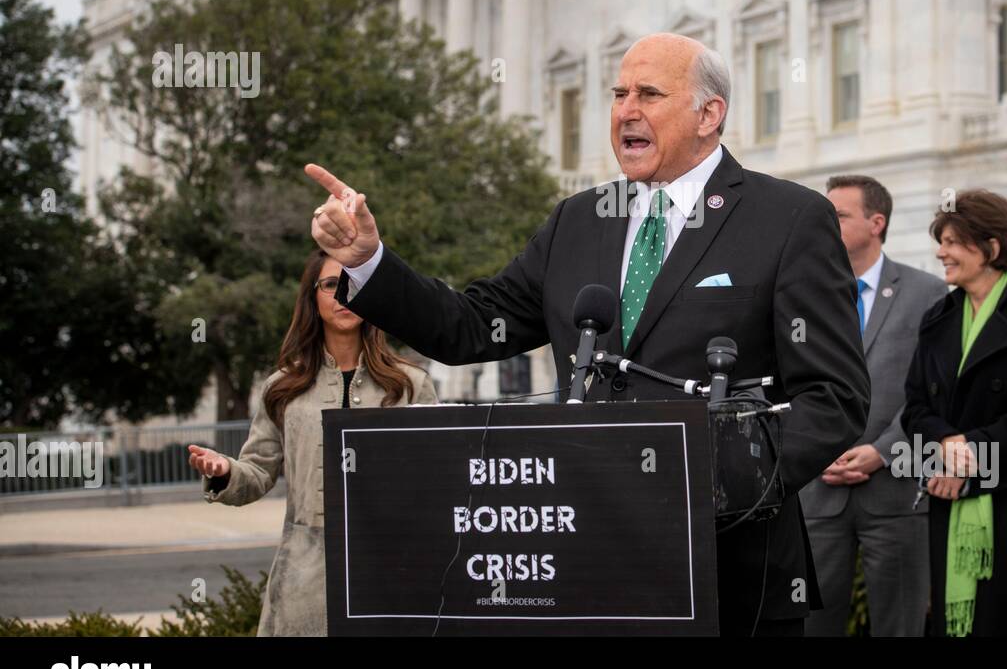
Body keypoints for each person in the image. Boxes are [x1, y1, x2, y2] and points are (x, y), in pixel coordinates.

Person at [305, 32, 870, 636]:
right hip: (588, 571)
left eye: (649, 94)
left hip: (730, 575)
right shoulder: (578, 220)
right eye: (618, 93)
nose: (626, 110)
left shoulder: (787, 218)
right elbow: (469, 328)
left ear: (710, 114)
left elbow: (833, 398)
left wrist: (709, 481)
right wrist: (370, 262)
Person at [186, 249, 437, 636]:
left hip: (394, 569)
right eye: (332, 285)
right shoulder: (282, 388)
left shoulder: (410, 384)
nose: (344, 295)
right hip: (304, 579)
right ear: (313, 298)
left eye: (355, 285)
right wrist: (224, 472)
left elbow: (438, 477)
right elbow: (256, 472)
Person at [901, 190, 1007, 636]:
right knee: (947, 621)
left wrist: (970, 453)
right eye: (941, 240)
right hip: (946, 485)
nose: (942, 252)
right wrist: (946, 448)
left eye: (954, 242)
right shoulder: (936, 318)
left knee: (1003, 618)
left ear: (992, 248)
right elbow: (916, 406)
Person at [802, 175, 947, 636]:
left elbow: (934, 389)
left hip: (898, 491)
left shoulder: (928, 293)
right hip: (817, 489)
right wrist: (815, 446)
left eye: (839, 216)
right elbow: (787, 384)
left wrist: (883, 451)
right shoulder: (800, 293)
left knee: (899, 626)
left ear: (876, 222)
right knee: (810, 626)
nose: (828, 224)